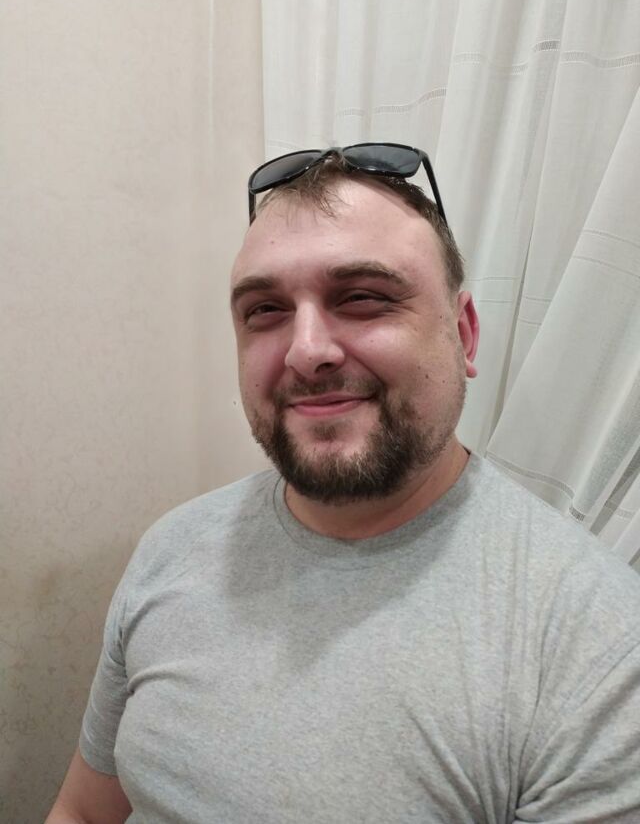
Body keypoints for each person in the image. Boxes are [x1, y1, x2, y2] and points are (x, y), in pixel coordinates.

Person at [47, 145, 640, 824]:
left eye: (362, 298)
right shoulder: (170, 548)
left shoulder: (600, 652)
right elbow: (83, 811)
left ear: (464, 335)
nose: (307, 351)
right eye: (265, 310)